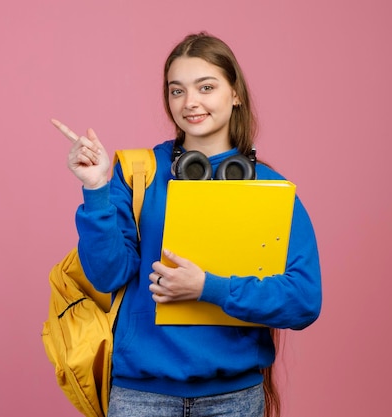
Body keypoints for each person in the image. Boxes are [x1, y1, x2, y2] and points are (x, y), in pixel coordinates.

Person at [51, 32, 322, 417]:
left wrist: (207, 288)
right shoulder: (137, 173)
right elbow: (106, 276)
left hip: (235, 399)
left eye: (206, 87)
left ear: (235, 94)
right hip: (140, 397)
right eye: (176, 91)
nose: (190, 102)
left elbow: (303, 301)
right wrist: (95, 187)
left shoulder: (272, 190)